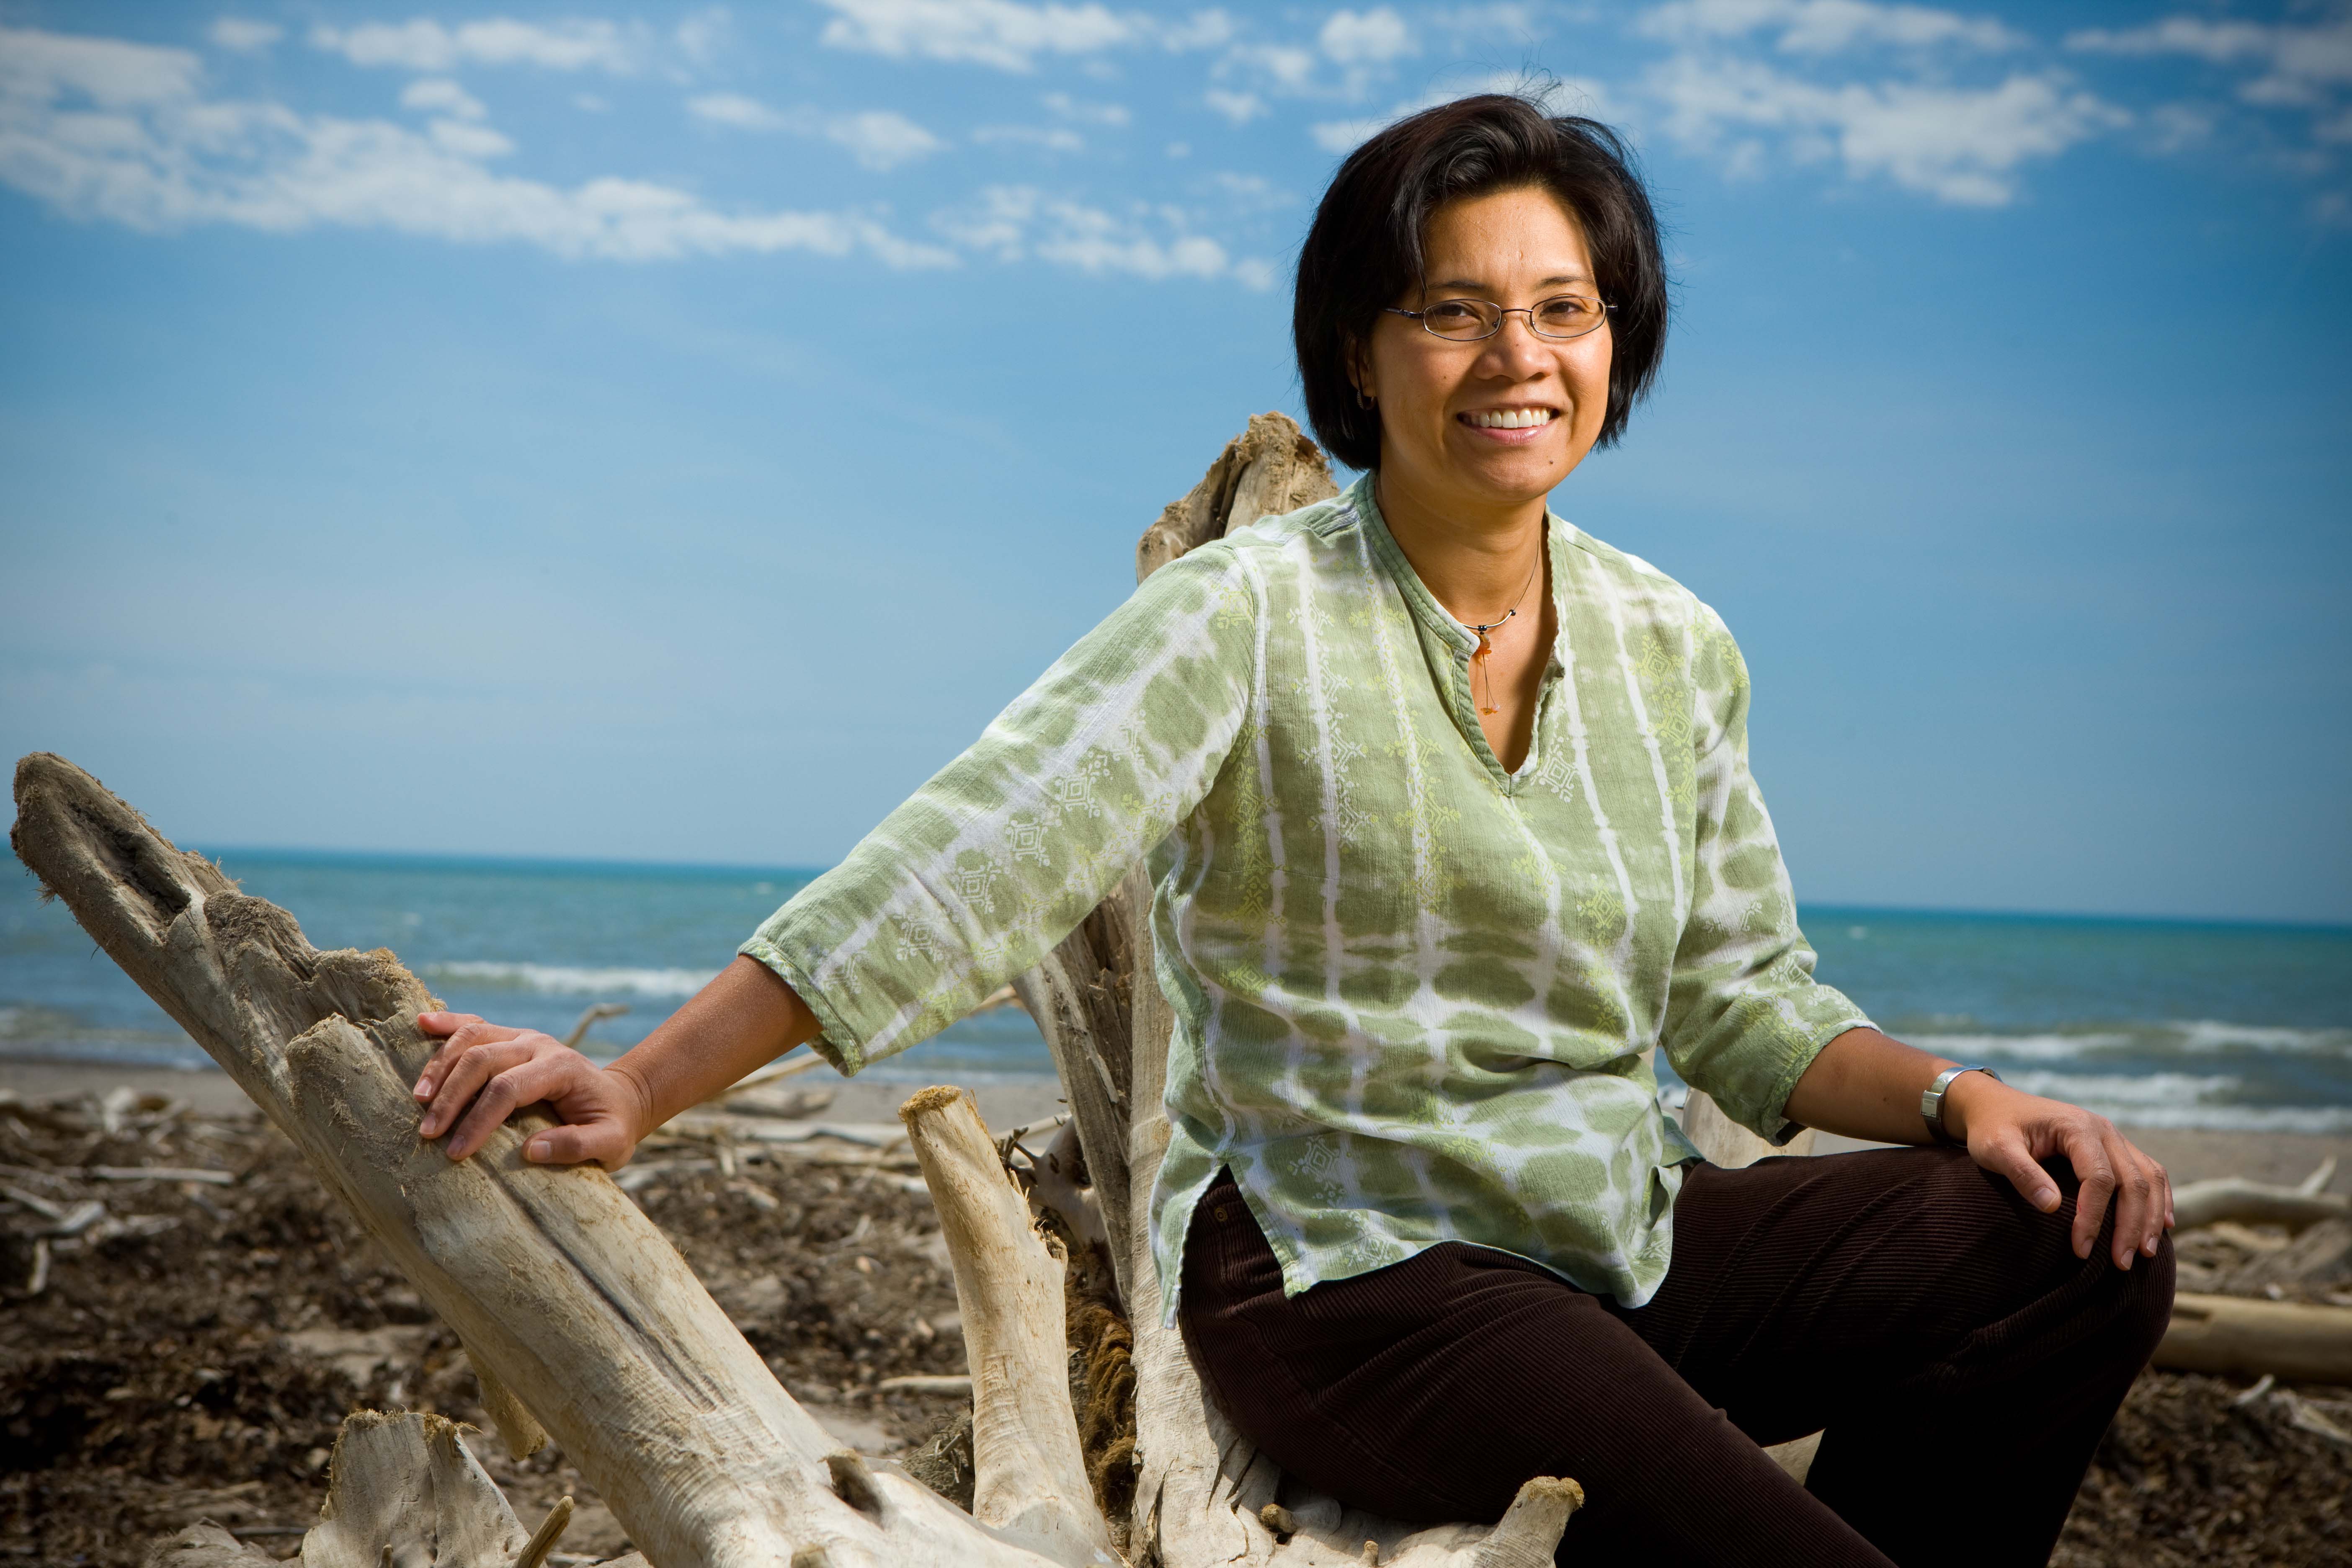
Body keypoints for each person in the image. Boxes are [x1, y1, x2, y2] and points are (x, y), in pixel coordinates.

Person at [410, 95, 2174, 1568]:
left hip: (1618, 1237)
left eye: (1563, 309)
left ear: (1615, 340)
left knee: (2078, 1245)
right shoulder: (1244, 614)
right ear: (1361, 349)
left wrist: (1966, 1099)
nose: (1518, 358)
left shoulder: (1673, 642)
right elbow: (968, 860)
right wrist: (637, 1083)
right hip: (1356, 1275)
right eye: (1455, 310)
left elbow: (1747, 1006)